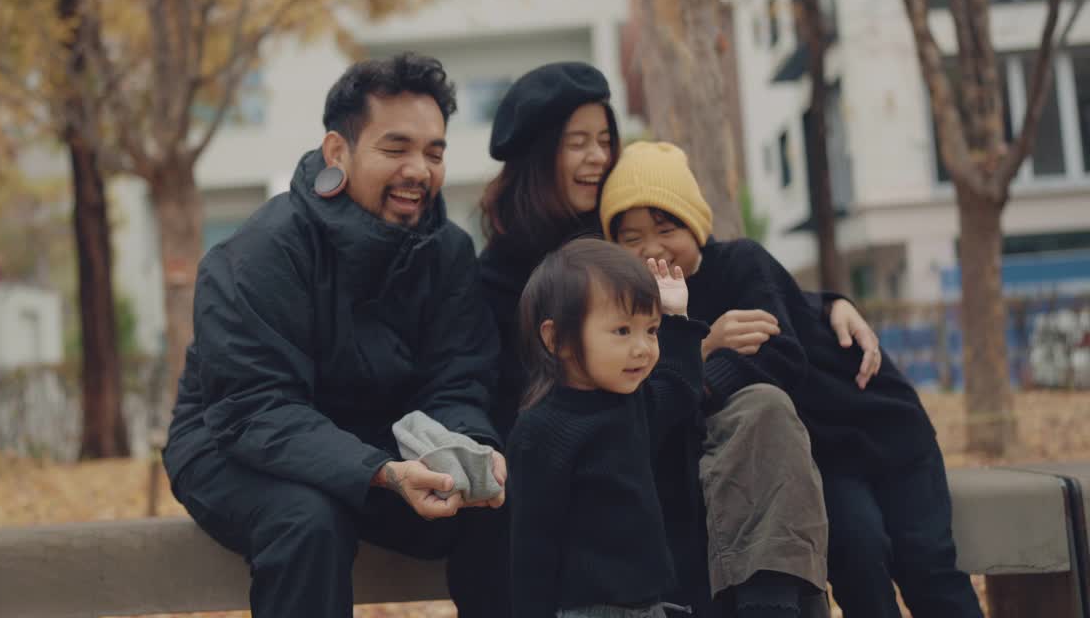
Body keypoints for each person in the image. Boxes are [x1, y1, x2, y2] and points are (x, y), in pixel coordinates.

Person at [478, 61, 841, 617]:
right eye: (578, 142)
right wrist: (696, 349)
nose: (598, 156)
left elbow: (731, 282)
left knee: (765, 412)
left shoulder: (624, 229)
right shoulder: (506, 276)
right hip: (587, 497)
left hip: (664, 450)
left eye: (605, 139)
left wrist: (833, 305)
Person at [163, 52, 508, 618]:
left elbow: (459, 377)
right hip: (231, 442)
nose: (419, 170)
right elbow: (254, 409)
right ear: (337, 153)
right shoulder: (260, 253)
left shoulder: (447, 251)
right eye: (395, 148)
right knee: (308, 520)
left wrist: (468, 446)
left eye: (434, 152)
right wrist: (380, 472)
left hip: (378, 447)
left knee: (497, 505)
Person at [599, 141, 983, 618]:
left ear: (697, 227)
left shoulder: (741, 263)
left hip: (881, 425)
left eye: (666, 227)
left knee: (927, 562)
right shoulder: (632, 308)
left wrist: (697, 375)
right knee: (855, 552)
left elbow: (779, 353)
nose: (651, 247)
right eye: (631, 237)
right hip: (822, 454)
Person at [508, 238, 710, 618]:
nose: (643, 348)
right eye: (622, 331)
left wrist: (676, 317)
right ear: (557, 340)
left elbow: (681, 389)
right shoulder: (542, 429)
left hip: (649, 603)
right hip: (586, 608)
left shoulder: (632, 403)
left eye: (650, 330)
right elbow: (532, 546)